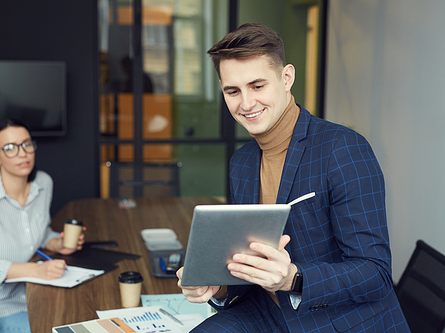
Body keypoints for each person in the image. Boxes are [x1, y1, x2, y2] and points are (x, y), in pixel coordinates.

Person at [176, 23, 410, 332]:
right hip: (269, 312)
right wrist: (214, 289)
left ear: (287, 78)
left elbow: (375, 274)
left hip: (339, 320)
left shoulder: (344, 149)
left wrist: (293, 278)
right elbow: (247, 267)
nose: (246, 104)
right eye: (232, 91)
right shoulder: (241, 163)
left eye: (257, 86)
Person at [0, 118, 85, 333]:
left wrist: (57, 244)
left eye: (27, 144)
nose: (22, 153)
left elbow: (37, 233)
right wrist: (38, 270)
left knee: (78, 318)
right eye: (10, 148)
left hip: (32, 293)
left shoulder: (43, 183)